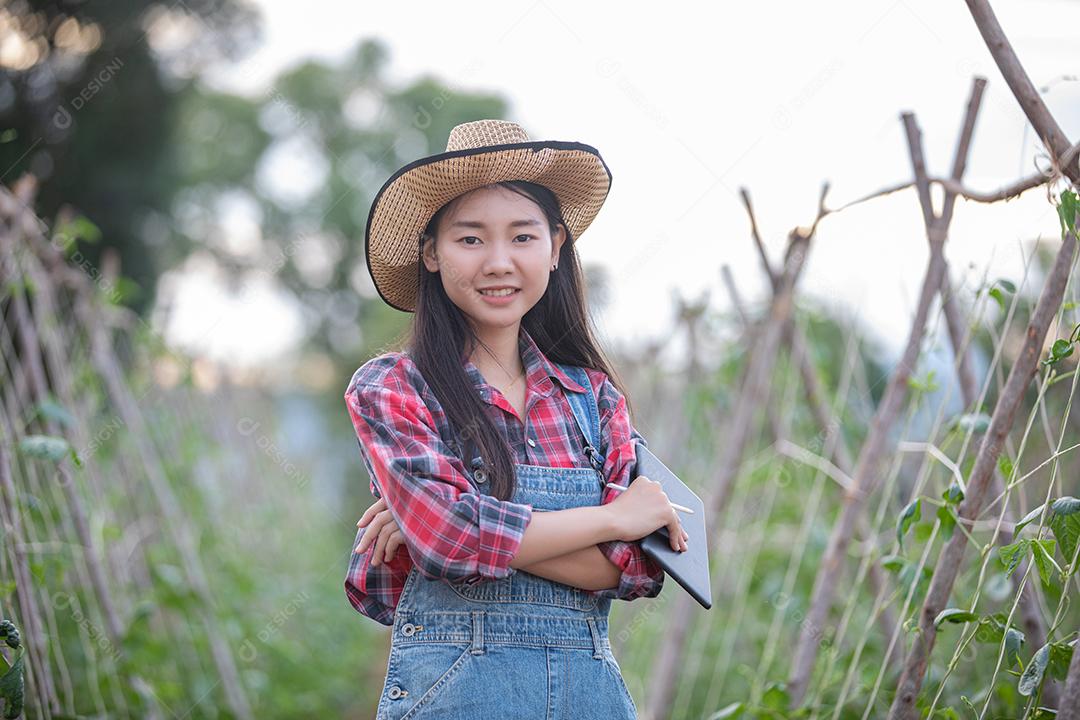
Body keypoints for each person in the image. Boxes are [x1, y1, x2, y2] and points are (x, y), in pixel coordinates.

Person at [343, 119, 689, 719]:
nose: (499, 262)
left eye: (522, 237)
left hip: (591, 702)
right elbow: (450, 539)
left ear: (555, 248)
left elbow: (634, 571)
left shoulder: (595, 397)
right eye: (470, 239)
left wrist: (444, 531)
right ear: (431, 252)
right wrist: (610, 519)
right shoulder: (394, 388)